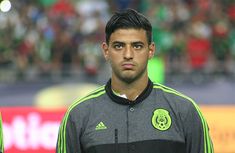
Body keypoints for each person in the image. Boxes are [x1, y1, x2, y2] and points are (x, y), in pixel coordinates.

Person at [56, 8, 214, 153]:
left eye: (137, 46)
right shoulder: (78, 115)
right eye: (118, 46)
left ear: (151, 50)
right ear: (106, 51)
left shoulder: (185, 111)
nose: (128, 54)